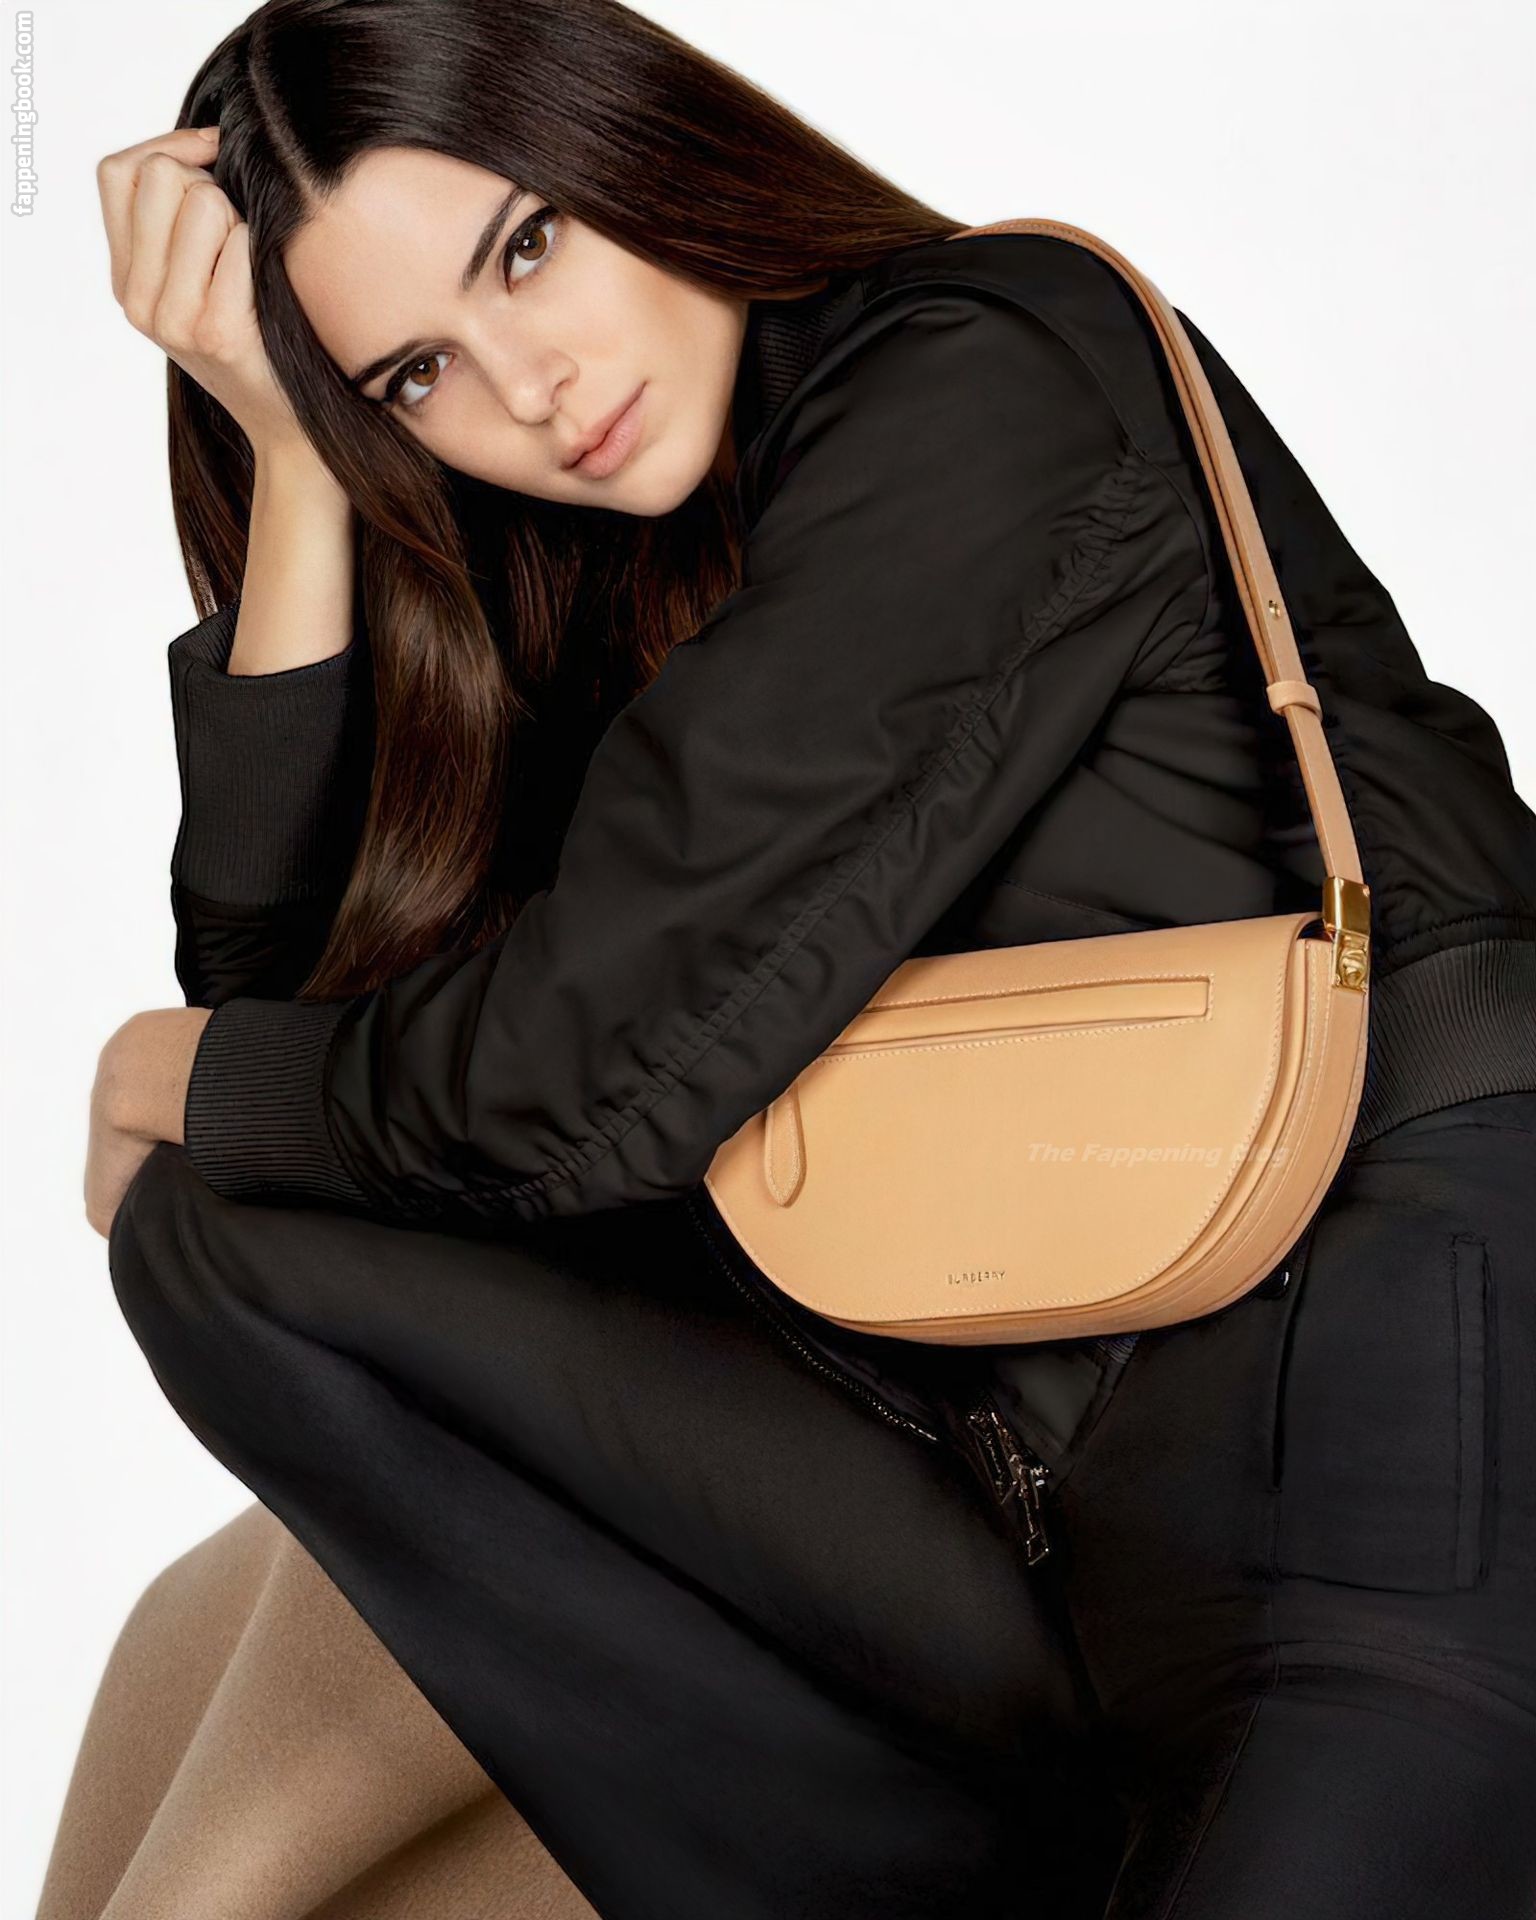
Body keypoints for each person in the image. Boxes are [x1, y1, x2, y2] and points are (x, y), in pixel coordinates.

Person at [82, 0, 1536, 1913]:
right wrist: (290, 453)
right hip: (1046, 1505)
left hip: (1382, 1386)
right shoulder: (612, 586)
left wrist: (170, 1073)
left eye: (528, 248)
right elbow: (310, 1057)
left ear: (630, 145)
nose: (531, 387)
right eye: (417, 373)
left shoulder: (989, 366)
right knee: (224, 1232)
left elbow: (564, 1070)